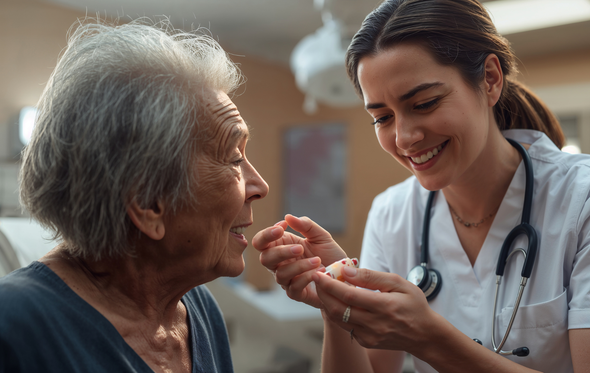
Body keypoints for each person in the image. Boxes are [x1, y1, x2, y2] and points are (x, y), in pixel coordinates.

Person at [253, 0, 590, 372]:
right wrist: (338, 298)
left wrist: (427, 337)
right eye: (382, 117)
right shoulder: (392, 214)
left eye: (425, 103)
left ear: (490, 79)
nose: (404, 137)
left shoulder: (580, 199)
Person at [0, 18, 268, 373]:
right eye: (233, 157)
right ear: (148, 203)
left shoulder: (201, 311)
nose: (260, 186)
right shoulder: (14, 330)